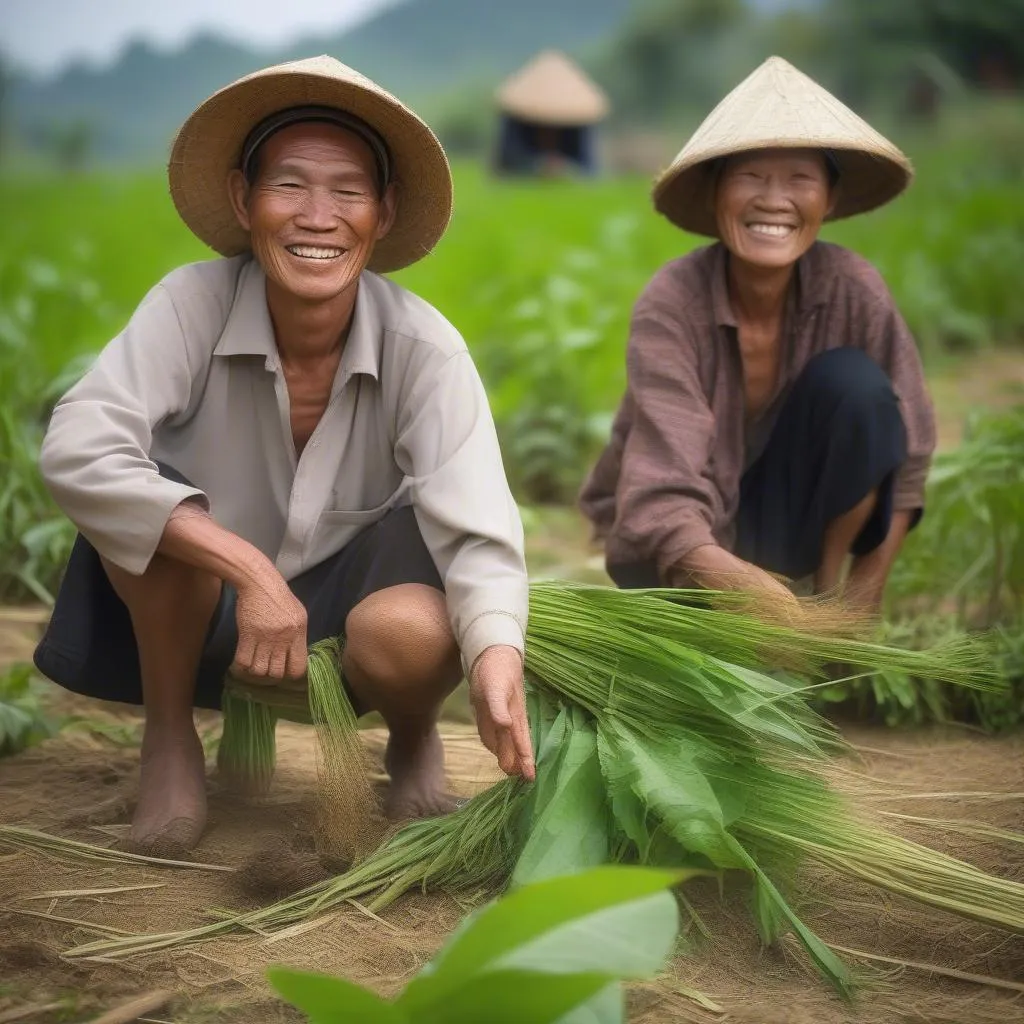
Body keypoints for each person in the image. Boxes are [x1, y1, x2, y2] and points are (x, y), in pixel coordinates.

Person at [33, 56, 534, 856]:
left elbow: (480, 528)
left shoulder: (425, 348)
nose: (317, 216)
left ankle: (411, 738)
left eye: (348, 191)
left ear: (383, 211)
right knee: (154, 503)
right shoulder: (189, 305)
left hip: (344, 620)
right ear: (244, 199)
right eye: (289, 185)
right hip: (207, 609)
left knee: (417, 625)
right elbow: (79, 447)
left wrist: (499, 657)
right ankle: (170, 741)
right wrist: (251, 572)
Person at [579, 56, 936, 614]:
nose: (774, 199)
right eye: (750, 177)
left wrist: (858, 603)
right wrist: (746, 589)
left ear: (830, 199)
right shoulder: (673, 301)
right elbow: (663, 492)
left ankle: (825, 587)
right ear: (715, 192)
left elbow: (909, 453)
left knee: (859, 388)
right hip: (673, 547)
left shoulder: (853, 289)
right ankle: (777, 608)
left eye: (800, 179)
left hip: (789, 527)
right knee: (716, 649)